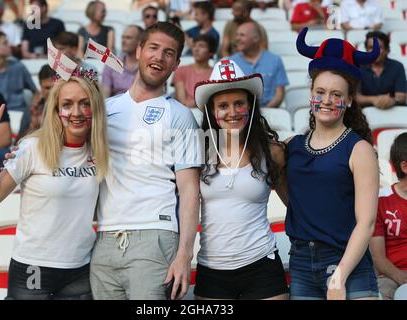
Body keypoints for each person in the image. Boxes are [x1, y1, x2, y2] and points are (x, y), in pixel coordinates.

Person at [0, 66, 109, 300]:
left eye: (85, 103)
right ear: (56, 110)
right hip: (32, 267)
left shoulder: (102, 152)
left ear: (94, 108)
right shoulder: (32, 148)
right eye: (67, 104)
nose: (76, 112)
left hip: (80, 268)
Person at [90, 22, 201, 300]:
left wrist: (184, 255)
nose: (159, 57)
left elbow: (189, 191)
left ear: (176, 64)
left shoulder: (181, 115)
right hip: (104, 236)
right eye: (153, 48)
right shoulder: (105, 110)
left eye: (168, 53)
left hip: (156, 234)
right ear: (138, 51)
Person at [285, 27, 381, 300]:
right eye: (321, 92)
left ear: (349, 100)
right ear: (311, 94)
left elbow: (366, 222)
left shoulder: (359, 149)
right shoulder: (293, 146)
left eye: (336, 95)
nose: (327, 100)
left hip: (348, 261)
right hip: (302, 263)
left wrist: (339, 275)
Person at [193, 58, 289, 300]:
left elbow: (295, 204)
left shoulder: (272, 151)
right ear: (212, 112)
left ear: (250, 106)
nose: (232, 112)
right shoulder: (196, 152)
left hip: (262, 266)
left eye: (239, 103)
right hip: (211, 270)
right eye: (223, 106)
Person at [370, 132, 407, 300]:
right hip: (391, 275)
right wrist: (401, 278)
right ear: (405, 167)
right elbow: (378, 258)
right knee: (381, 292)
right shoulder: (380, 201)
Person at [0, 31, 39, 134]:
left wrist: (34, 106)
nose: (10, 45)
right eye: (5, 43)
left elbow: (36, 92)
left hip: (22, 114)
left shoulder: (18, 66)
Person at [230, 21, 288, 108]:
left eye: (242, 35)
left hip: (270, 112)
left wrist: (263, 113)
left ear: (256, 38)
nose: (237, 39)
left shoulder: (275, 60)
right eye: (237, 35)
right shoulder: (231, 62)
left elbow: (279, 94)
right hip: (241, 114)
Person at [172, 34, 215, 124]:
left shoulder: (215, 73)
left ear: (211, 52)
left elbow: (212, 101)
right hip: (183, 114)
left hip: (207, 116)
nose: (196, 49)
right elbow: (182, 100)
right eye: (194, 45)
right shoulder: (181, 70)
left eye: (201, 46)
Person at [357, 31, 407, 109]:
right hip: (365, 114)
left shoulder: (397, 66)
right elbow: (356, 97)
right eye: (371, 48)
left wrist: (391, 101)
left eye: (379, 47)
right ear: (366, 50)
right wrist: (375, 99)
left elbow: (402, 96)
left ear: (387, 50)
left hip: (394, 111)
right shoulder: (358, 67)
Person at [101, 25, 143, 98]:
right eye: (122, 37)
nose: (123, 41)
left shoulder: (146, 66)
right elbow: (105, 95)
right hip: (114, 106)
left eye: (128, 38)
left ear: (139, 42)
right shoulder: (111, 64)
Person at [16, 64, 56, 140]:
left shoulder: (69, 109)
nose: (52, 92)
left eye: (54, 87)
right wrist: (33, 126)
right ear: (40, 87)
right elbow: (17, 144)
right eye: (47, 88)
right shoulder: (33, 110)